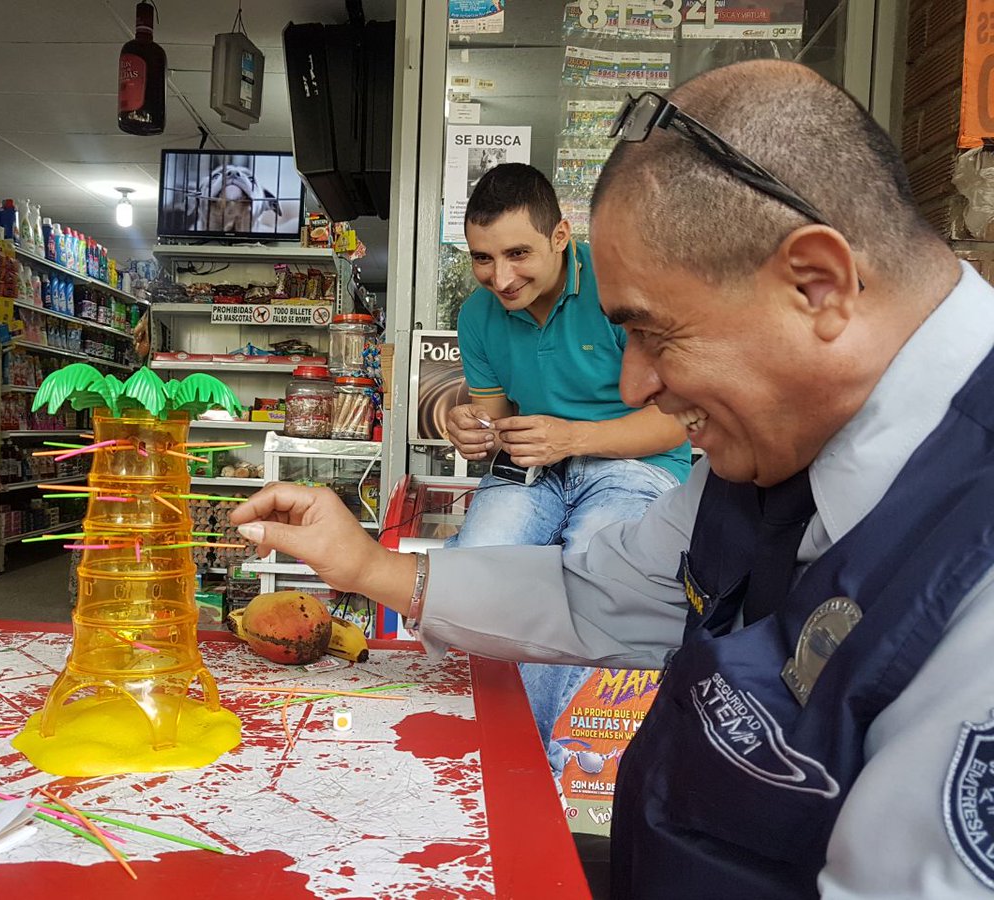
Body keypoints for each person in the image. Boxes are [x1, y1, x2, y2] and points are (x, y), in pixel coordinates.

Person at [231, 59, 994, 898]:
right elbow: (591, 594)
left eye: (654, 334)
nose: (633, 387)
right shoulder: (775, 455)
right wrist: (371, 566)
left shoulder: (971, 573)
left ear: (815, 286)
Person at [445, 162, 690, 775]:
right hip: (537, 465)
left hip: (637, 461)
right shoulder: (477, 315)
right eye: (483, 258)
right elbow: (494, 420)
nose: (500, 278)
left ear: (561, 236)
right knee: (483, 562)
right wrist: (470, 430)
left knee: (591, 571)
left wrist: (571, 437)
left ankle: (526, 762)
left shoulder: (620, 287)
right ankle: (499, 746)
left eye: (518, 253)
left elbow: (679, 419)